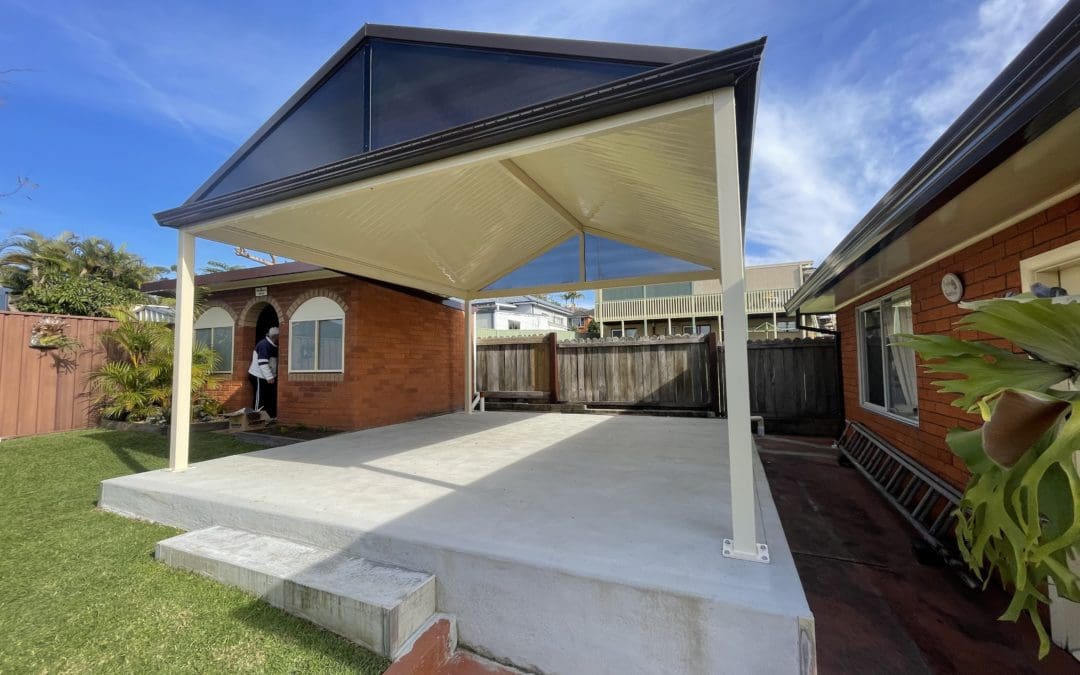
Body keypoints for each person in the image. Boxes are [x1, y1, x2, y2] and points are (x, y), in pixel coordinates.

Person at [248, 326, 279, 418]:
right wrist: (269, 377)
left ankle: (269, 417)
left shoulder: (274, 345)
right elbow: (262, 363)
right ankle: (256, 418)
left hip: (267, 376)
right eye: (279, 337)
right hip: (258, 375)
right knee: (259, 397)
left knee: (269, 397)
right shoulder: (264, 345)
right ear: (275, 337)